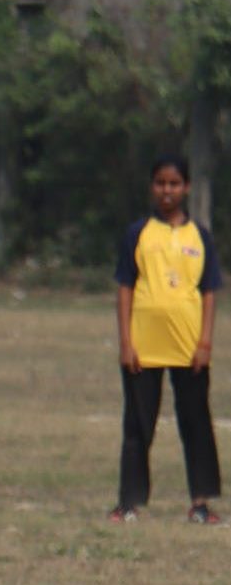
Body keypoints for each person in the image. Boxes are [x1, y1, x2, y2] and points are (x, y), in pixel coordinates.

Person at [112, 153, 223, 524]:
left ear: (186, 187)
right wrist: (126, 342)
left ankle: (201, 502)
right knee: (138, 426)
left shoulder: (200, 237)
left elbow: (209, 292)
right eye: (160, 183)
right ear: (151, 187)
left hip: (189, 348)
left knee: (195, 424)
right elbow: (125, 287)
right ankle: (129, 503)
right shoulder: (138, 233)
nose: (167, 190)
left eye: (174, 184)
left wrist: (205, 343)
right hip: (144, 348)